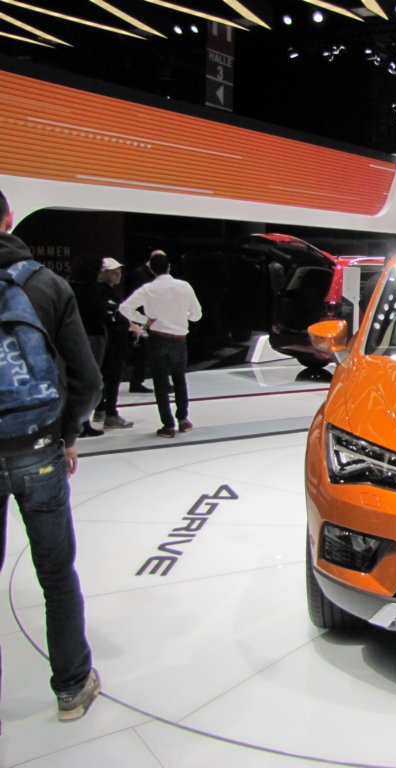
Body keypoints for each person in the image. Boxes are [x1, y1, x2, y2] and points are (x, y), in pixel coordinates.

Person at [0, 189, 103, 720]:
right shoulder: (45, 285)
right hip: (38, 447)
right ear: (9, 218)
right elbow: (88, 379)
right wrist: (67, 436)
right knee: (56, 575)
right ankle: (71, 688)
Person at [119, 252, 203, 438]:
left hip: (157, 338)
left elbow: (124, 308)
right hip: (179, 339)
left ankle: (168, 425)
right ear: (169, 267)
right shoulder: (184, 286)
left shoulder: (148, 289)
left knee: (160, 383)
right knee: (179, 380)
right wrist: (183, 316)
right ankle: (183, 419)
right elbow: (197, 315)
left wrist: (145, 320)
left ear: (151, 269)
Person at [94, 258, 135, 429]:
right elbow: (109, 317)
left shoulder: (109, 292)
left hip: (113, 343)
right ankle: (109, 413)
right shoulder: (100, 292)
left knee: (107, 378)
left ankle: (102, 410)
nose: (118, 274)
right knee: (110, 378)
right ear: (102, 273)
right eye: (113, 271)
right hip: (110, 344)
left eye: (119, 271)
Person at [68, 255, 106, 438]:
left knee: (79, 380)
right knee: (90, 380)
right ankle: (81, 422)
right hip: (92, 336)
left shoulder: (71, 288)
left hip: (78, 336)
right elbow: (99, 314)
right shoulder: (92, 290)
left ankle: (79, 422)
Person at [125, 251, 158, 394]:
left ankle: (153, 381)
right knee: (143, 352)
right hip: (142, 318)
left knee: (152, 352)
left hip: (153, 317)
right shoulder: (140, 274)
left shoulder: (155, 275)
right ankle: (136, 382)